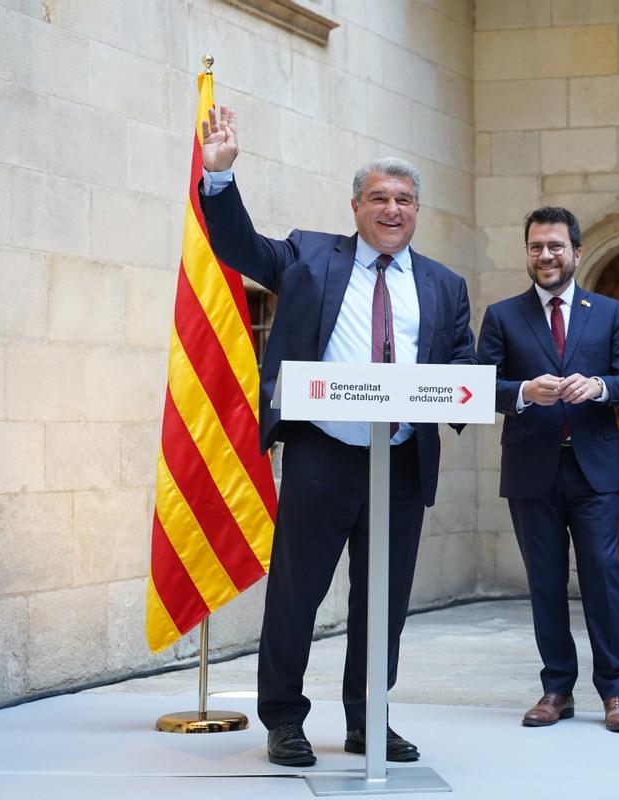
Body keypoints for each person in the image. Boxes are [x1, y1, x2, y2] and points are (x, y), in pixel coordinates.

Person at [198, 107, 477, 767]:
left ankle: (367, 720)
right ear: (355, 206)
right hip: (324, 456)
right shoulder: (309, 256)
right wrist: (219, 178)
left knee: (383, 602)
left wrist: (489, 391)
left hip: (402, 463)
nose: (391, 209)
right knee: (297, 593)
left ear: (418, 211)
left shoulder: (444, 285)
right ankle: (284, 721)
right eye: (378, 197)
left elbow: (460, 362)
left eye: (404, 200)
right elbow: (242, 249)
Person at [476, 207, 619, 733]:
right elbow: (482, 386)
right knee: (545, 583)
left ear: (576, 251)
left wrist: (598, 387)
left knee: (602, 575)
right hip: (531, 471)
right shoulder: (503, 315)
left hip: (593, 470)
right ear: (526, 253)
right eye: (535, 248)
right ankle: (556, 689)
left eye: (554, 247)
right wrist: (523, 392)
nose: (545, 256)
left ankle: (616, 692)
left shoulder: (608, 311)